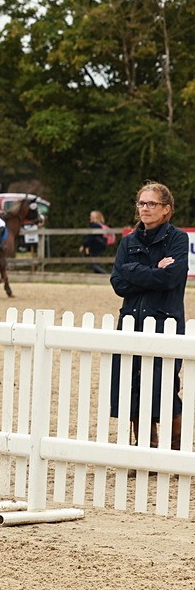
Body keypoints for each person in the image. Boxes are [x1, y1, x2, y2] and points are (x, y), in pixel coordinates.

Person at [109, 182, 187, 452]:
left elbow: (170, 279)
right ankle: (145, 447)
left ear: (166, 209)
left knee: (163, 387)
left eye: (152, 203)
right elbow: (118, 284)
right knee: (131, 386)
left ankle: (176, 447)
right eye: (142, 203)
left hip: (164, 322)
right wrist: (154, 269)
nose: (145, 208)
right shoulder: (128, 241)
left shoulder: (177, 239)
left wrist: (134, 271)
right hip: (131, 321)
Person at [78, 209, 111, 275]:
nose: (90, 217)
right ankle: (100, 275)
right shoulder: (99, 225)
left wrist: (84, 246)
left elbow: (90, 237)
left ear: (95, 217)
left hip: (96, 247)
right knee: (94, 263)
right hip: (100, 247)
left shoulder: (95, 226)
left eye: (91, 216)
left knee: (92, 263)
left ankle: (105, 274)